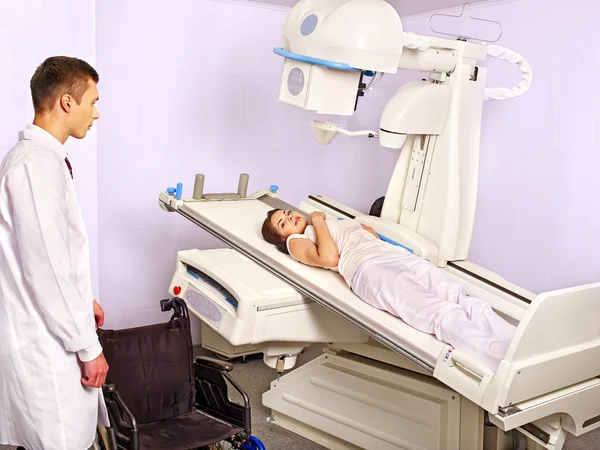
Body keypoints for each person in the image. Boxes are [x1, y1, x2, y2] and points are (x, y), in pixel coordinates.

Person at [0, 56, 109, 450]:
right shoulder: (33, 167)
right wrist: (89, 347)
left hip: (52, 327)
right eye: (92, 102)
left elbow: (53, 255)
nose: (96, 113)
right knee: (60, 440)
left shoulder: (45, 162)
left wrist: (84, 300)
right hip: (44, 342)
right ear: (67, 101)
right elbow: (45, 270)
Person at [261, 208, 517, 371]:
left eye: (286, 213)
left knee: (464, 300)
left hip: (396, 257)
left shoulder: (325, 221)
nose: (289, 217)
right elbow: (329, 258)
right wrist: (317, 221)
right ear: (283, 238)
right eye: (283, 223)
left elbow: (369, 233)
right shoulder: (298, 241)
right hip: (368, 269)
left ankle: (518, 346)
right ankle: (502, 362)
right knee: (440, 313)